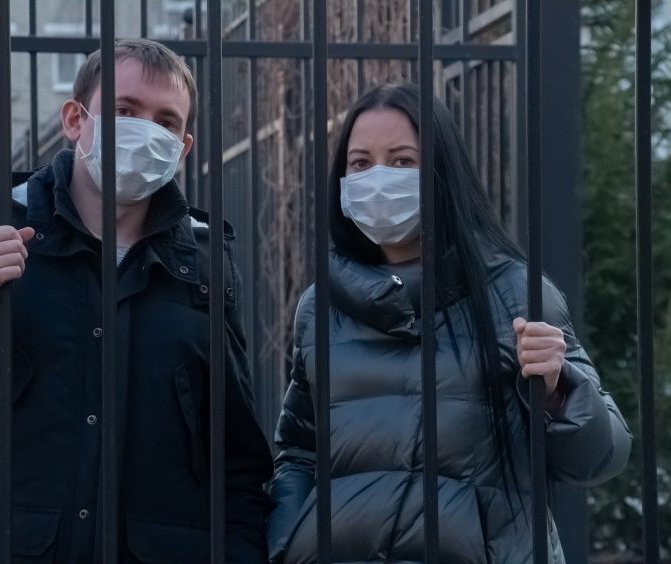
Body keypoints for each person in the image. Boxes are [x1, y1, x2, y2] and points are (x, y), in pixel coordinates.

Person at [0, 39, 272, 563]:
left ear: (183, 147)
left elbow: (236, 455)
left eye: (166, 122)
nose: (145, 131)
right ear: (75, 121)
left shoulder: (204, 261)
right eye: (124, 110)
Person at [265, 83, 631, 563]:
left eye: (401, 161)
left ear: (441, 171)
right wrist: (289, 541)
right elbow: (299, 452)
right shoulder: (320, 306)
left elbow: (600, 459)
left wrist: (560, 390)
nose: (378, 178)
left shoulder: (514, 293)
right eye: (360, 163)